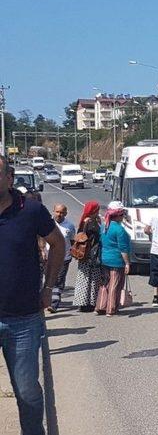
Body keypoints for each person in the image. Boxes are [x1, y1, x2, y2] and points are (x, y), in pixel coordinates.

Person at [0, 154, 65, 435]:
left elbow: (58, 244)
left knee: (27, 393)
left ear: (9, 177)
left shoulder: (31, 210)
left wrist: (48, 288)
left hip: (23, 319)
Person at [96, 201, 131, 316]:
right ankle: (111, 309)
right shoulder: (119, 230)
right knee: (115, 285)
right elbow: (123, 249)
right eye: (122, 214)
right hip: (116, 261)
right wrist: (127, 263)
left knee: (104, 284)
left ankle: (101, 306)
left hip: (104, 258)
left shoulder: (104, 226)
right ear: (118, 215)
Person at [72, 201, 106, 312]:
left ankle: (83, 302)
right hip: (91, 254)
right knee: (92, 278)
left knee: (84, 278)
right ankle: (90, 302)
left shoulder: (85, 221)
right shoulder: (91, 223)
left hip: (85, 254)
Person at [47, 204, 76, 312]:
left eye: (62, 212)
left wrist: (72, 252)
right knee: (49, 279)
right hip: (48, 257)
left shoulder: (70, 226)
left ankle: (53, 304)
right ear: (54, 211)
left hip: (64, 258)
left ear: (66, 213)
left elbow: (72, 241)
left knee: (58, 280)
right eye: (58, 212)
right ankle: (47, 299)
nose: (59, 214)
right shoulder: (47, 224)